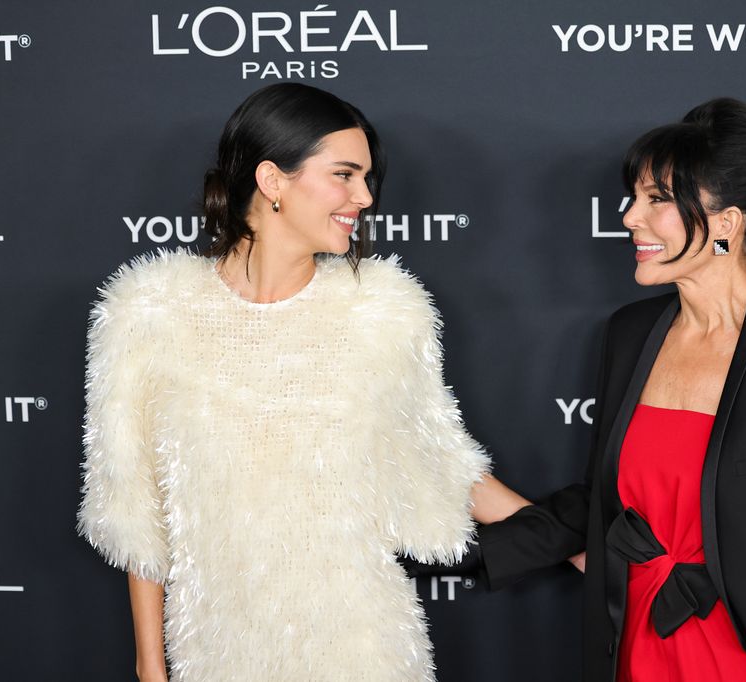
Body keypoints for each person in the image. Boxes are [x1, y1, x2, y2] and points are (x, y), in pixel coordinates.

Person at [76, 83, 526, 682]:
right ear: (272, 180)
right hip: (217, 652)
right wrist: (150, 665)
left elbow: (442, 467)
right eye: (344, 175)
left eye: (366, 178)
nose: (364, 197)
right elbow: (136, 509)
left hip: (364, 649)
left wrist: (582, 547)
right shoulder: (148, 312)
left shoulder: (381, 311)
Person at [477, 98, 746, 681]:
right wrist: (449, 522)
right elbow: (606, 503)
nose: (630, 217)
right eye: (634, 197)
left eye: (657, 199)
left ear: (726, 223)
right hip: (632, 649)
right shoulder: (630, 334)